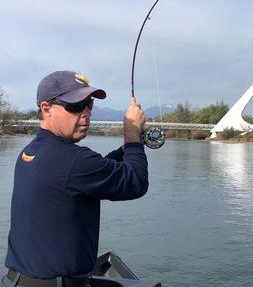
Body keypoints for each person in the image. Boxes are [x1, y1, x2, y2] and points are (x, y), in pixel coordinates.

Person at [2, 71, 148, 287]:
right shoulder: (74, 161)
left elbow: (94, 172)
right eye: (75, 105)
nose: (86, 112)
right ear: (46, 109)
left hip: (17, 280)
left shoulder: (31, 152)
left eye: (89, 104)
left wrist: (127, 148)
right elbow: (135, 182)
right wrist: (133, 134)